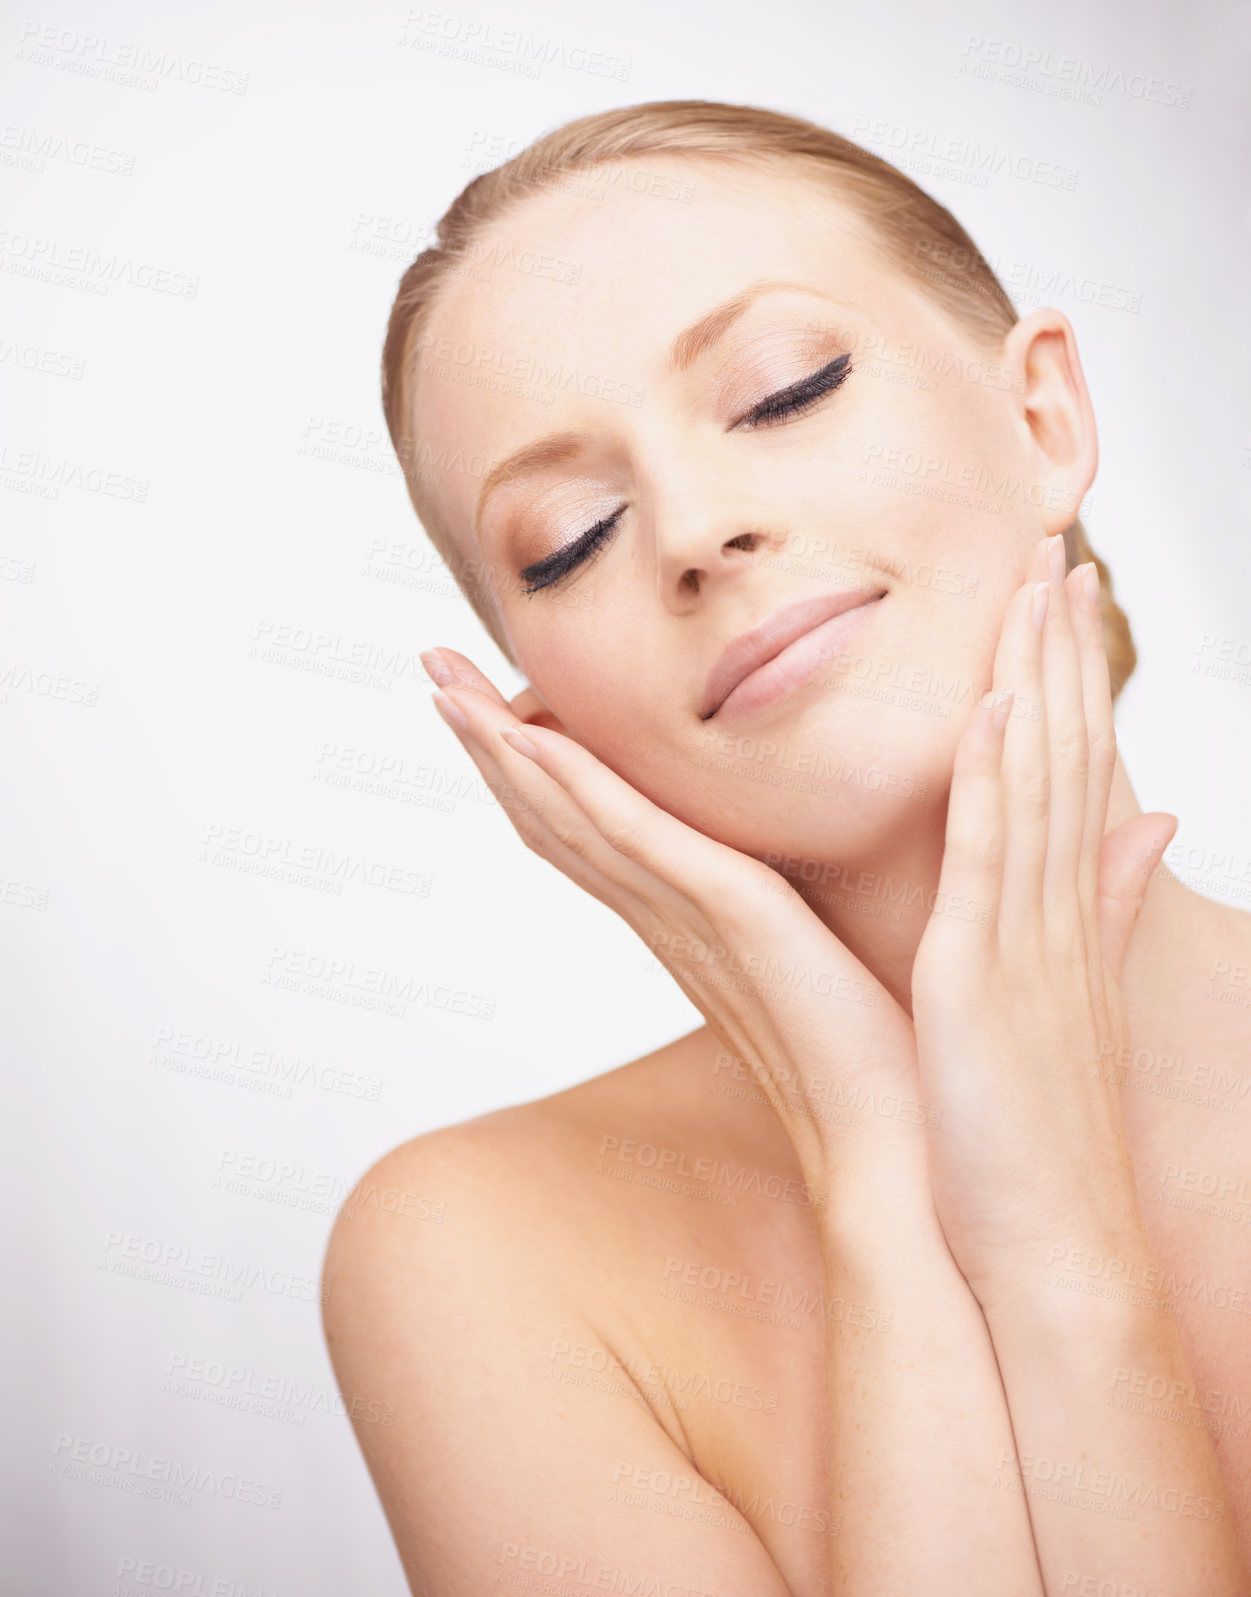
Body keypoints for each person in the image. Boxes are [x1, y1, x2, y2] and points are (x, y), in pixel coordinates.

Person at [320, 101, 1251, 1595]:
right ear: (549, 715)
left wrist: (1055, 1239)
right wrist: (874, 1156)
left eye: (782, 389)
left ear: (1044, 421)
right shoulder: (476, 1253)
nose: (693, 527)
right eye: (572, 535)